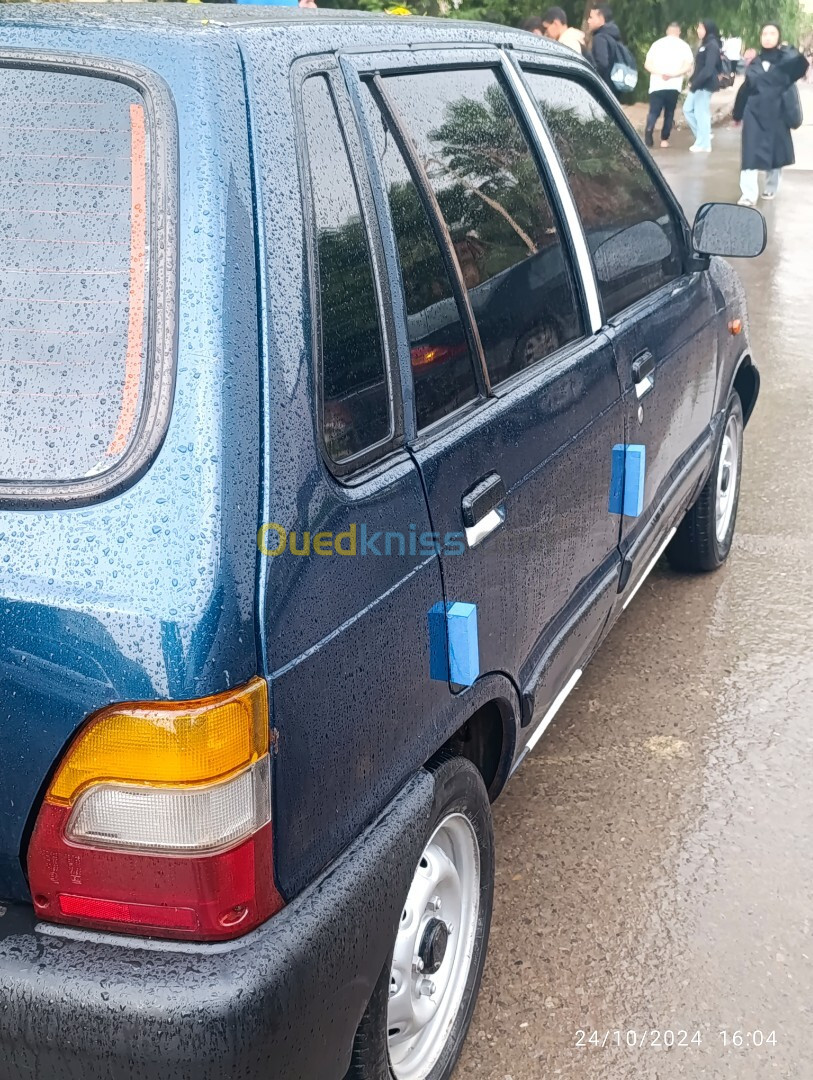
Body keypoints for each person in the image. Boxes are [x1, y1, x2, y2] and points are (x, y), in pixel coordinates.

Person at [733, 22, 809, 205]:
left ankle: (771, 186)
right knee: (750, 152)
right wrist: (737, 113)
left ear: (778, 37)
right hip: (754, 112)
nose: (767, 37)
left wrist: (787, 48)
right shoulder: (754, 63)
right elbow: (745, 89)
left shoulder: (787, 62)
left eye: (772, 33)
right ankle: (749, 194)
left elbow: (802, 64)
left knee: (775, 153)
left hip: (777, 112)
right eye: (764, 33)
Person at [644, 22, 695, 148]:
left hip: (656, 84)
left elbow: (647, 64)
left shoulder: (657, 44)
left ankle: (649, 131)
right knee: (669, 112)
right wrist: (673, 74)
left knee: (654, 111)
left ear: (667, 31)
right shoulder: (684, 46)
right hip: (673, 85)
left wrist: (661, 73)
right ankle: (664, 139)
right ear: (679, 32)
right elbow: (688, 65)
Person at [684, 20, 722, 153]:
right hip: (698, 83)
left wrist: (695, 84)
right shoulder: (704, 44)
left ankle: (704, 143)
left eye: (701, 28)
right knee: (687, 109)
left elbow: (709, 68)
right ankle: (703, 136)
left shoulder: (712, 45)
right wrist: (692, 79)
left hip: (705, 84)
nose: (698, 30)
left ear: (708, 29)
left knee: (701, 113)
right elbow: (700, 66)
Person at [587, 6, 627, 90]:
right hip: (614, 87)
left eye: (591, 17)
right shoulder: (613, 36)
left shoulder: (600, 38)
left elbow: (602, 64)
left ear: (601, 19)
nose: (588, 21)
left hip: (603, 88)